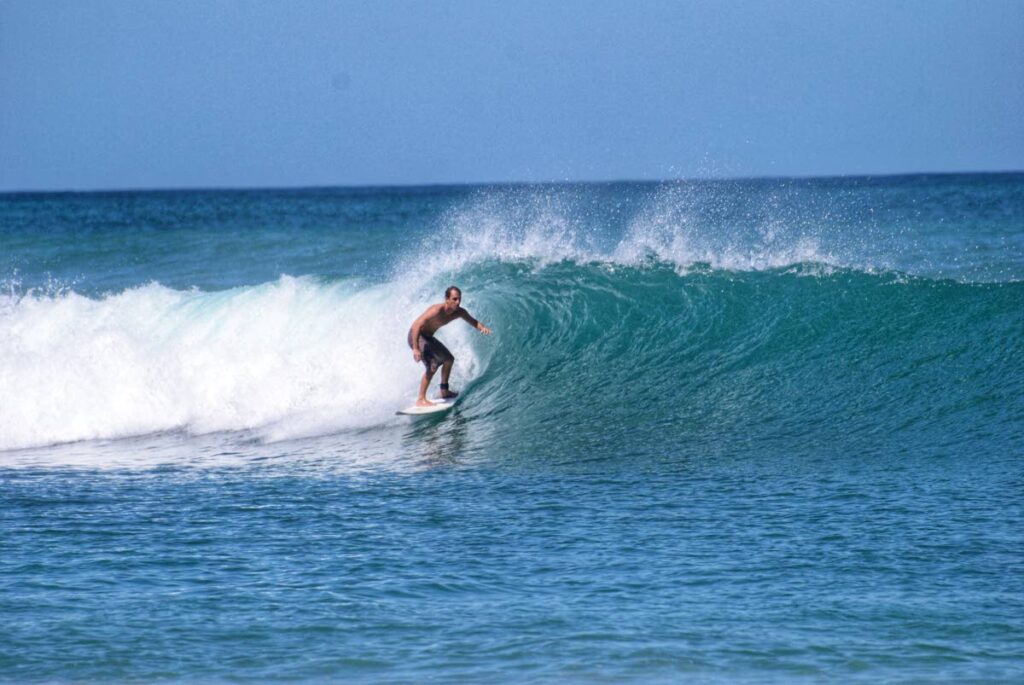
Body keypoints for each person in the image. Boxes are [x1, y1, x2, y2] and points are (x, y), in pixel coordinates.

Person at [408, 286, 492, 406]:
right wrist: (416, 348)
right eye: (454, 299)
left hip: (428, 338)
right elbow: (416, 325)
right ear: (447, 299)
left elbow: (473, 321)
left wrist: (482, 327)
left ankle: (444, 391)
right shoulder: (436, 310)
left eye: (459, 299)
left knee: (449, 359)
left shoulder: (460, 312)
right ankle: (420, 399)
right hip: (416, 336)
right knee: (433, 365)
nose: (458, 302)